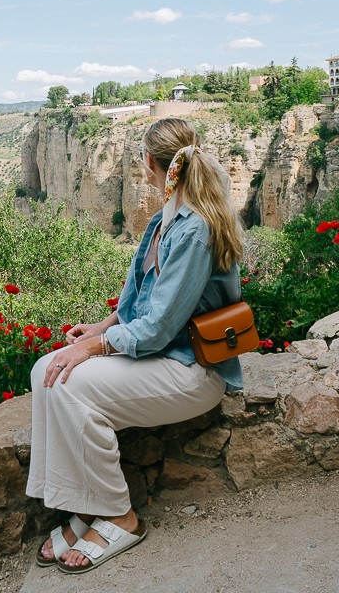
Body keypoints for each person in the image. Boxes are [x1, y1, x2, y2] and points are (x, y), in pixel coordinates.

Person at [26, 116, 244, 574]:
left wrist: (93, 348)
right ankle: (84, 505)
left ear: (151, 162)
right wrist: (101, 326)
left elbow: (160, 327)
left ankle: (118, 514)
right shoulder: (170, 215)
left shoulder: (195, 230)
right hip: (161, 356)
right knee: (44, 371)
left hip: (191, 369)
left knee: (67, 383)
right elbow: (142, 295)